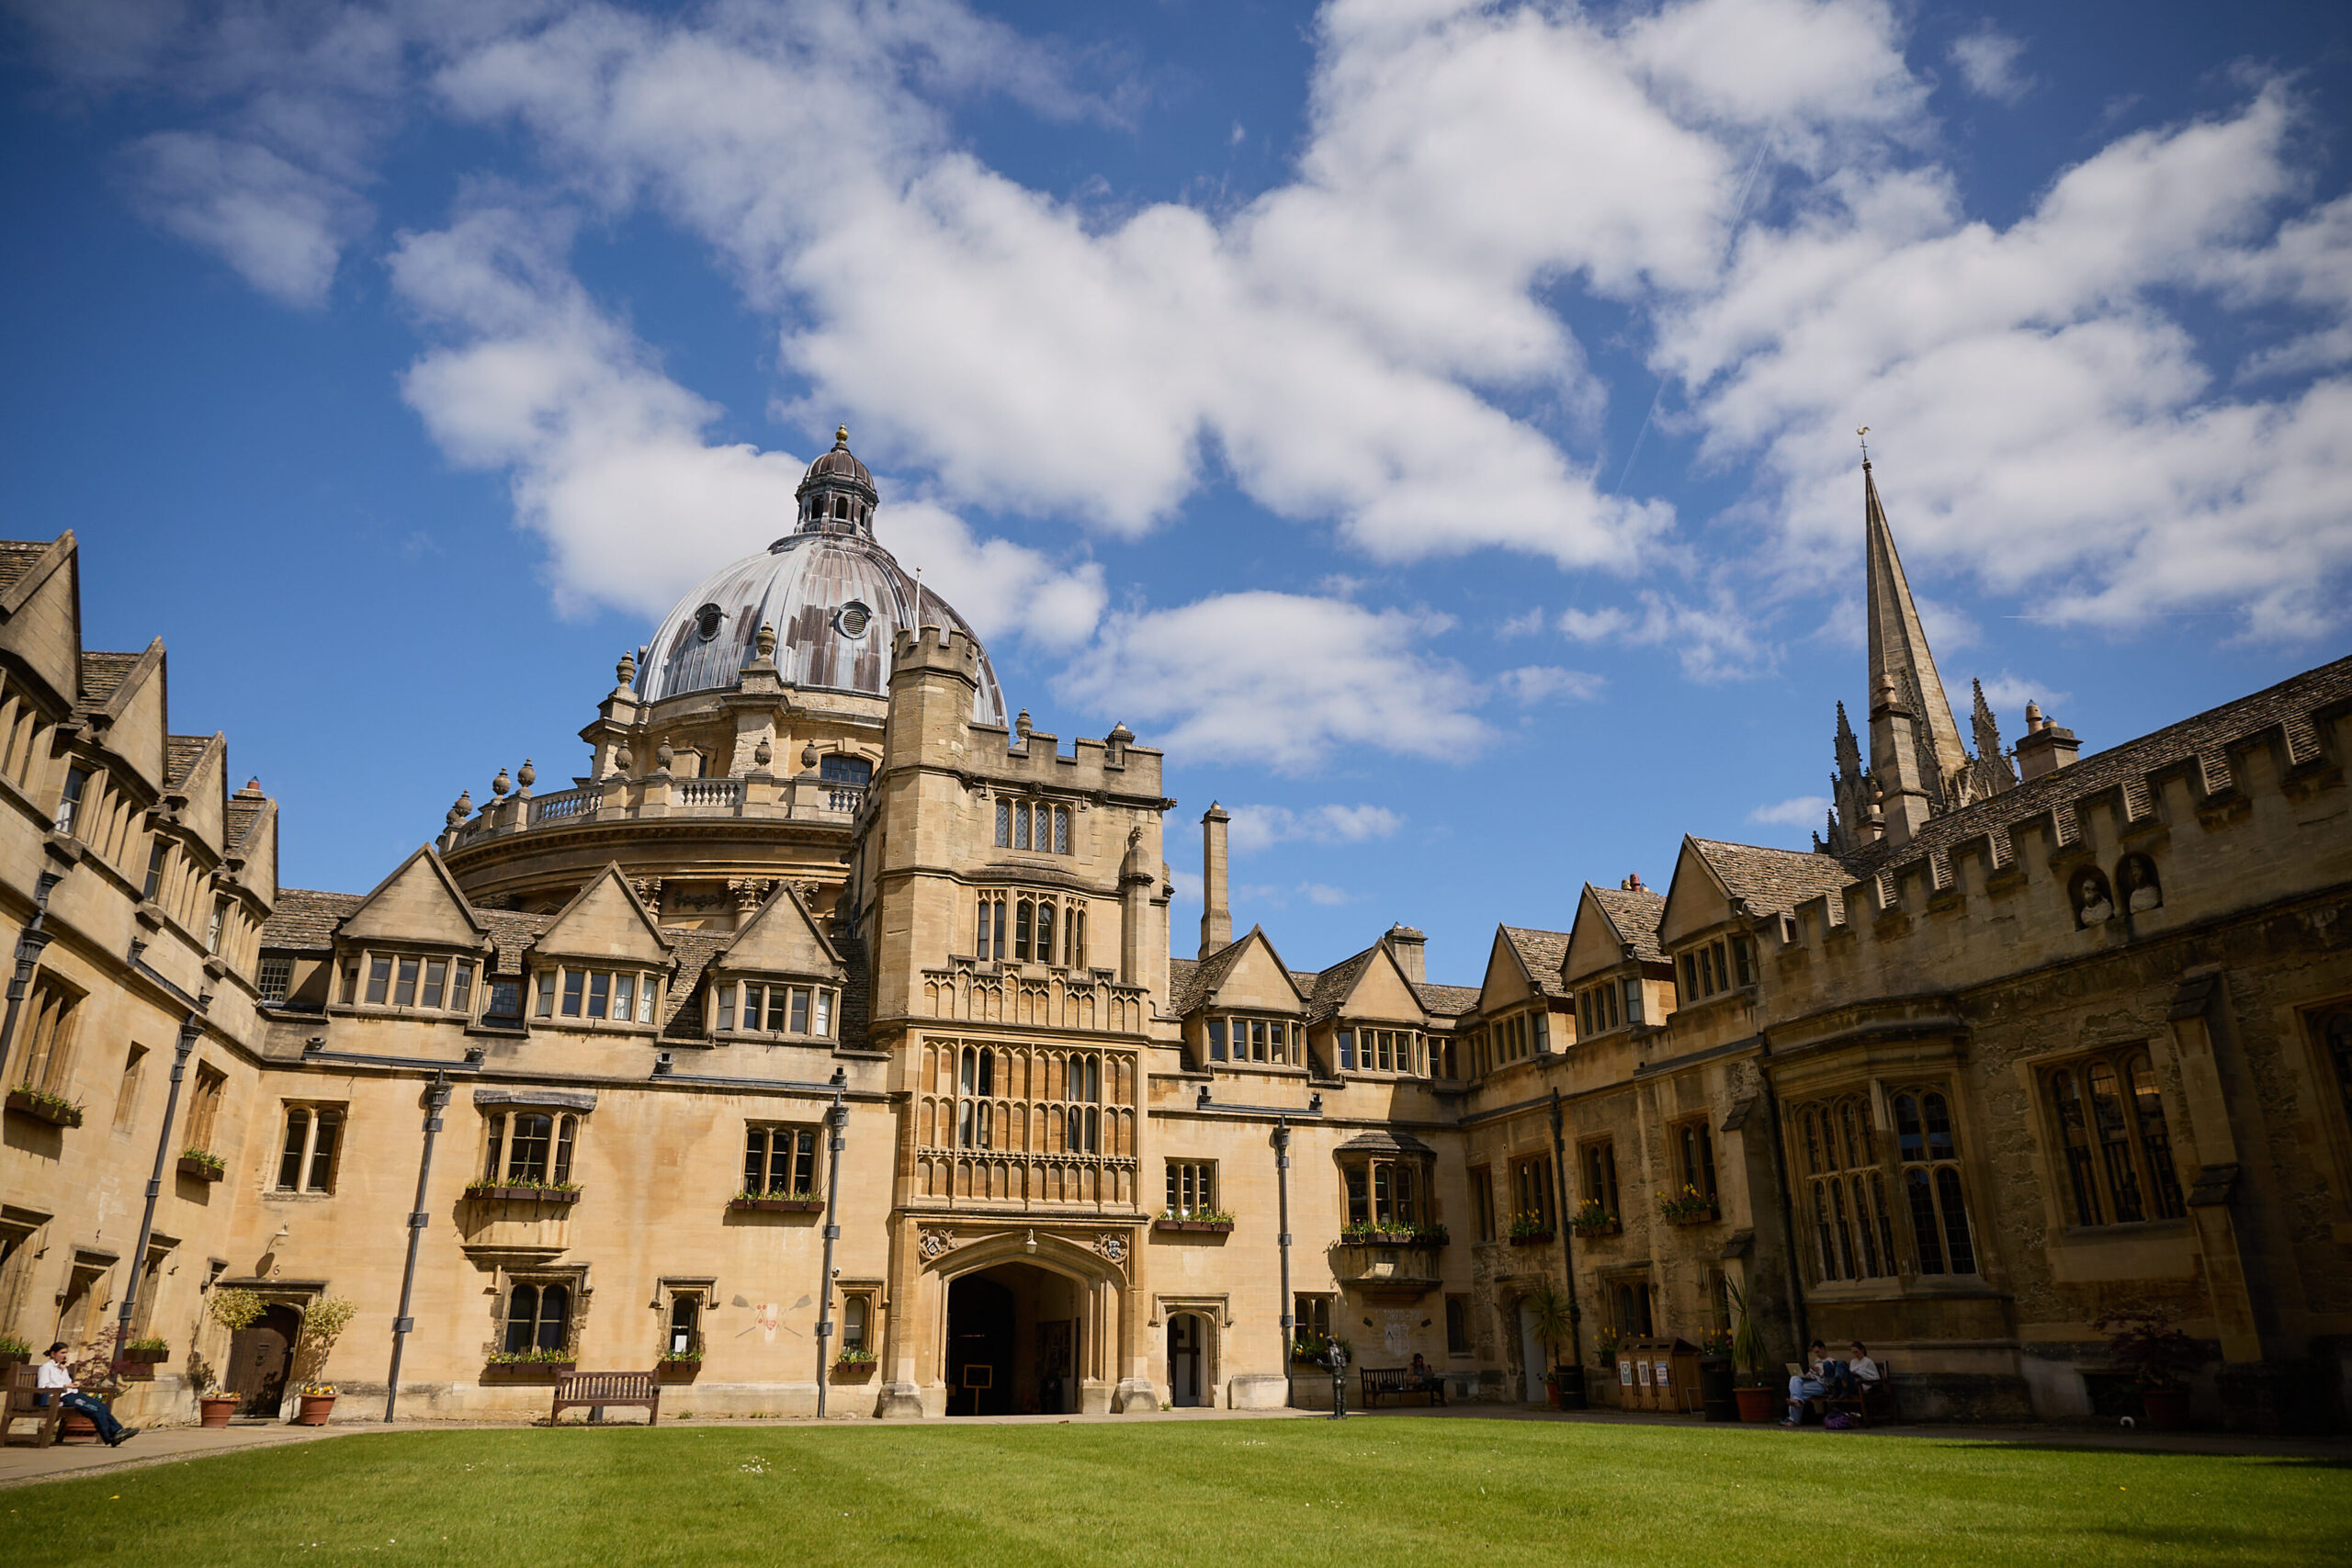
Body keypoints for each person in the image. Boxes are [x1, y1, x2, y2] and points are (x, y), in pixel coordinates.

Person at [37, 1342, 139, 1448]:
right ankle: (110, 1437)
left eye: (66, 1353)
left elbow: (68, 1383)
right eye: (62, 1353)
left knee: (102, 1407)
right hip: (60, 1398)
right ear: (53, 1354)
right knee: (94, 1409)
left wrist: (72, 1381)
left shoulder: (62, 1368)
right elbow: (43, 1387)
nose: (64, 1355)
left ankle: (118, 1431)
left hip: (72, 1395)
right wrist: (66, 1386)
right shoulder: (46, 1367)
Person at [1783, 1339, 1830, 1426]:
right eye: (1815, 1352)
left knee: (1796, 1392)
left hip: (1821, 1384)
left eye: (1818, 1352)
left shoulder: (1830, 1361)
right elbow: (1811, 1374)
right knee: (1794, 1378)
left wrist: (1818, 1370)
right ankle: (1797, 1401)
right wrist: (1807, 1375)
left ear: (1823, 1349)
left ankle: (1794, 1419)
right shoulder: (1816, 1361)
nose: (1817, 1354)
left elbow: (1829, 1377)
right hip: (1811, 1382)